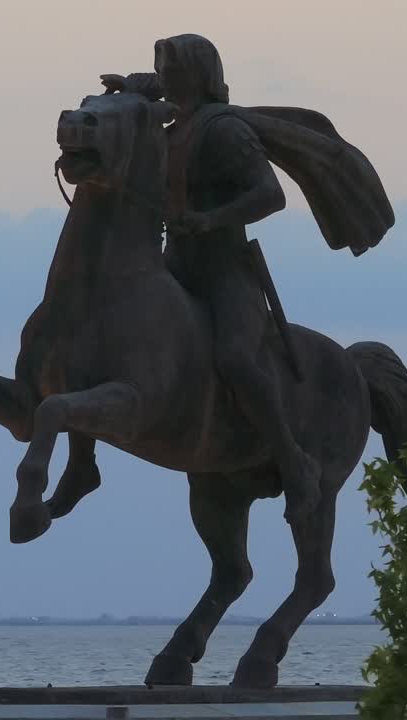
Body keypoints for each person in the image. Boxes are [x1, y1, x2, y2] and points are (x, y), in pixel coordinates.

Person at [103, 34, 321, 523]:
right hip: (175, 268)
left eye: (168, 68)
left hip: (226, 275)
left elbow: (270, 195)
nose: (160, 75)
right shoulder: (172, 125)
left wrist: (209, 219)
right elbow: (146, 87)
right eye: (158, 66)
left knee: (236, 358)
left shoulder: (224, 131)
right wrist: (128, 88)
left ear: (195, 74)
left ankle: (293, 459)